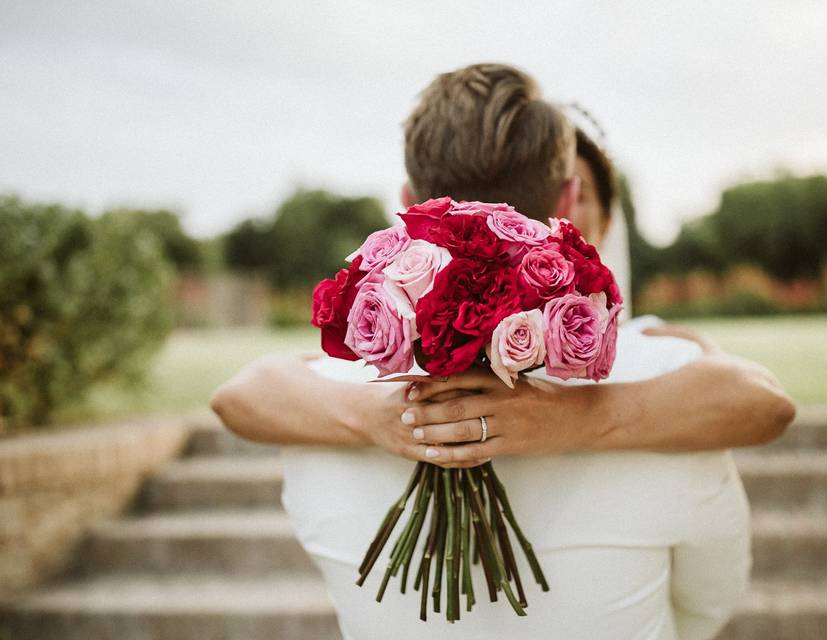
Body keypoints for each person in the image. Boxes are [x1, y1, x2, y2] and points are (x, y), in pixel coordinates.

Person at [212, 63, 793, 639]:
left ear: (409, 201)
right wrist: (385, 421)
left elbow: (241, 394)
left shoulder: (319, 405)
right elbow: (714, 598)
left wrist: (567, 418)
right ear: (569, 198)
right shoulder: (672, 400)